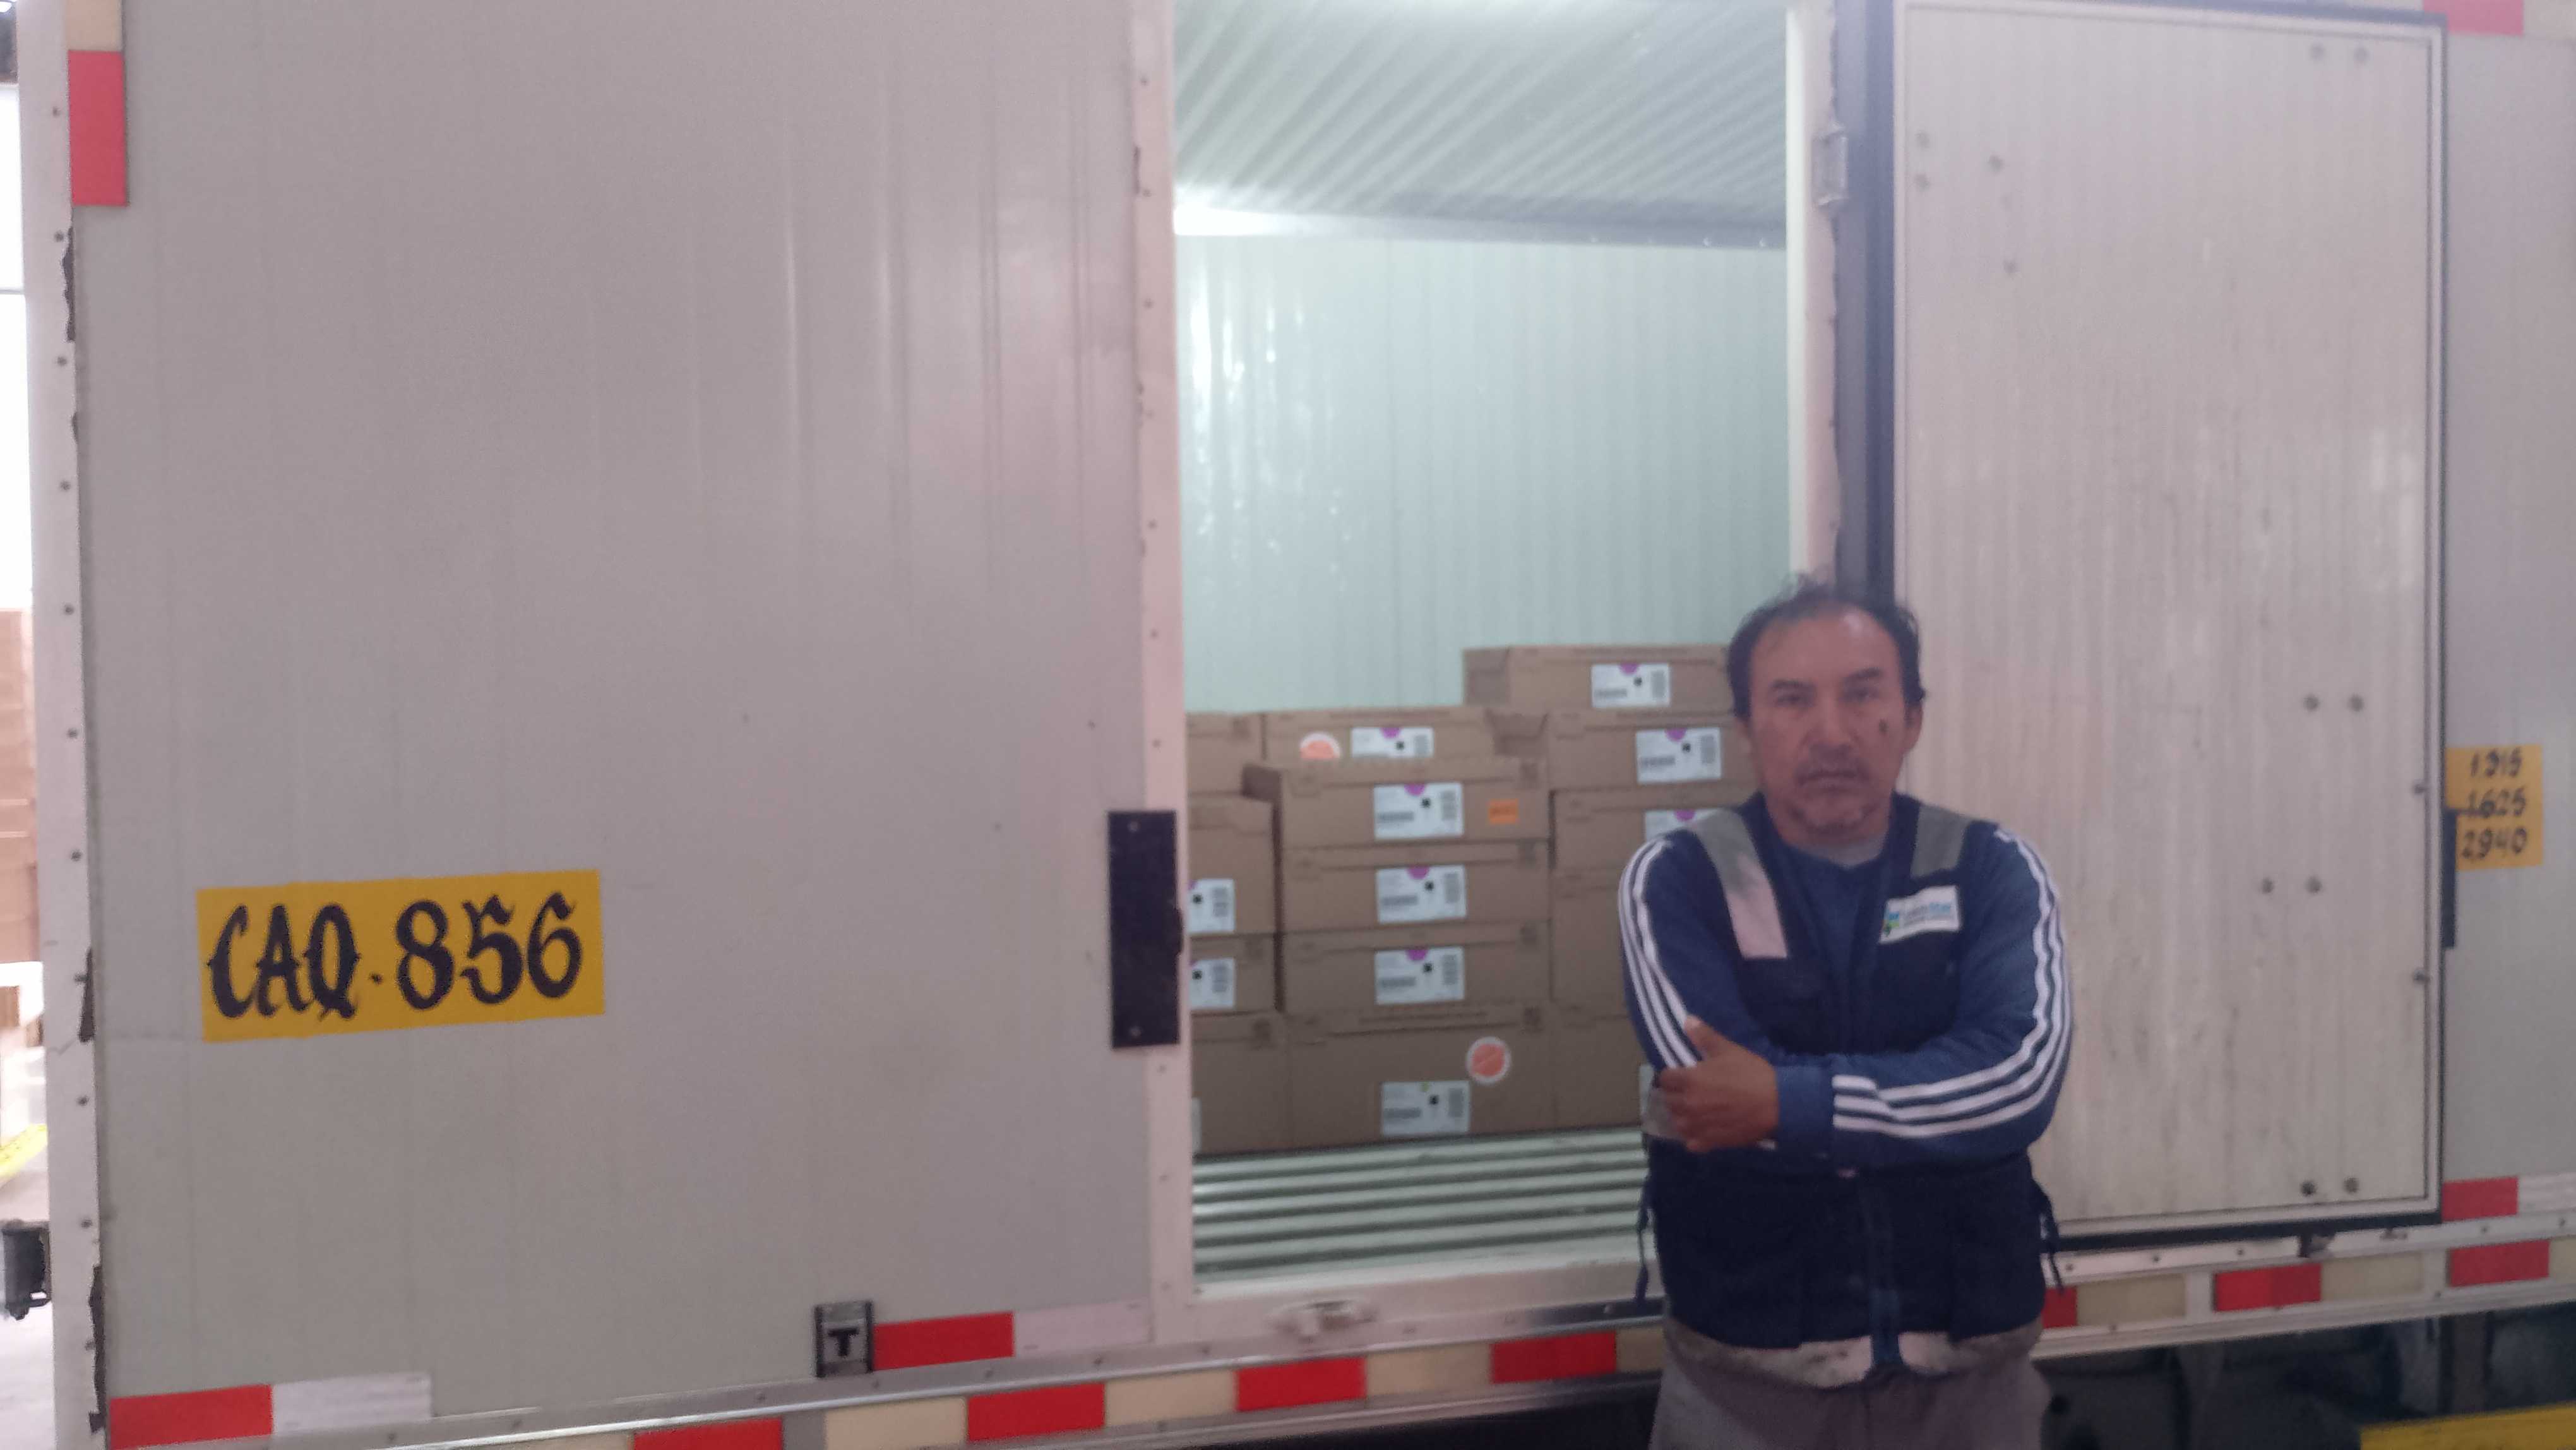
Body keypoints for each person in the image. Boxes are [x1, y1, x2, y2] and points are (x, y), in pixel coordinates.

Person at [1622, 577, 2070, 1450]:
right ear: (1747, 727)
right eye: (1793, 700)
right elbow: (1713, 1098)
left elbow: (2016, 1082)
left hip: (1966, 1384)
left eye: (1862, 695)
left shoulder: (1989, 867)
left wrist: (1793, 1102)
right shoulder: (1679, 879)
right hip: (1749, 1388)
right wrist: (1927, 1096)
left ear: (1912, 718)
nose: (1830, 732)